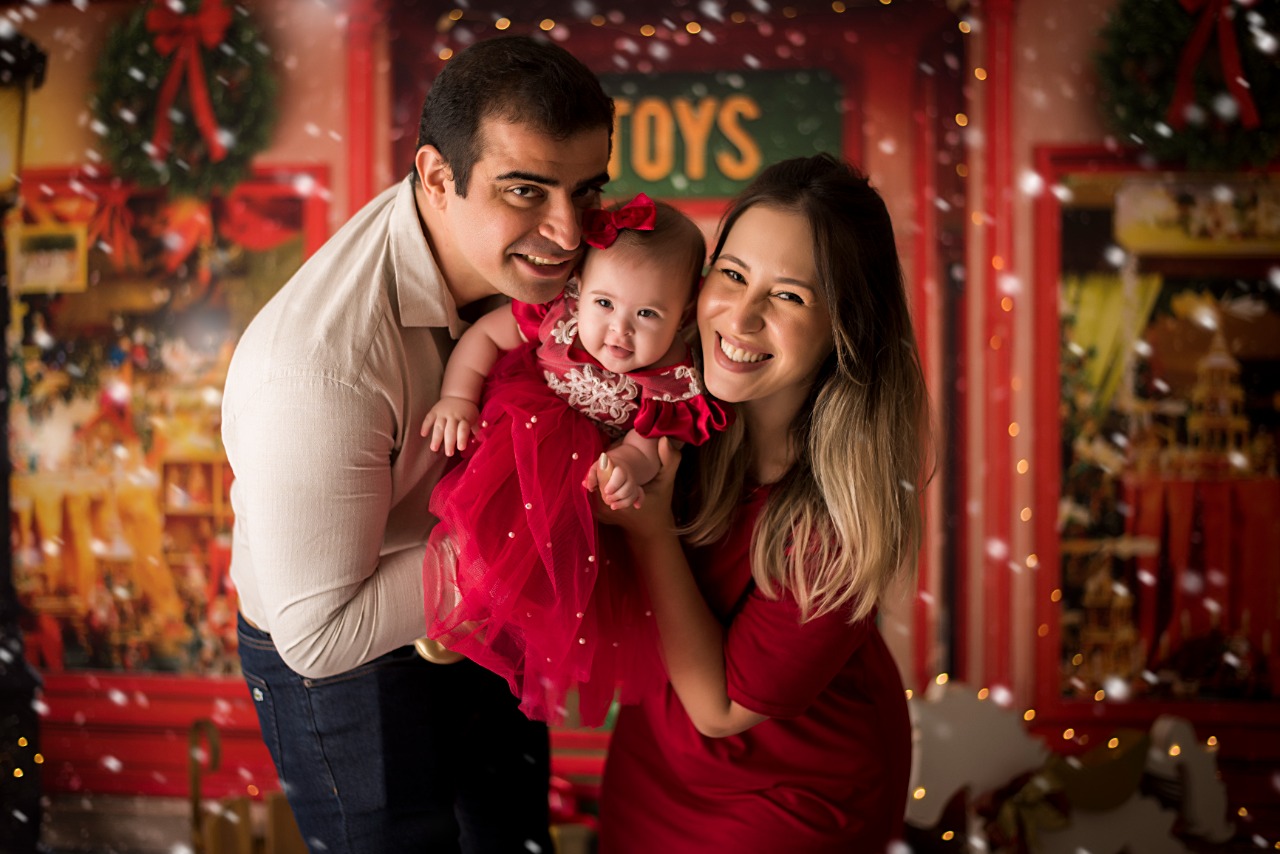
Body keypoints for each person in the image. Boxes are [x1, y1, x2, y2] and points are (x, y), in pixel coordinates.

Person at [221, 36, 613, 853]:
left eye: (586, 191)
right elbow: (319, 634)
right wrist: (533, 538)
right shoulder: (318, 368)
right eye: (526, 190)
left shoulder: (536, 263)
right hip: (348, 663)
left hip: (478, 626)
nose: (568, 230)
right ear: (437, 178)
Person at [598, 154, 932, 852]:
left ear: (849, 329)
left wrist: (651, 534)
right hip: (654, 761)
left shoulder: (839, 514)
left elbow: (721, 708)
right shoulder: (663, 395)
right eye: (733, 275)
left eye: (790, 297)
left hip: (795, 797)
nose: (741, 317)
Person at [419, 195, 729, 727]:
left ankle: (505, 627)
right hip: (525, 434)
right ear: (579, 292)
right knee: (489, 520)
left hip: (589, 473)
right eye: (605, 304)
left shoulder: (673, 380)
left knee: (561, 567)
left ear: (681, 320)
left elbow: (648, 444)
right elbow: (485, 337)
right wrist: (457, 397)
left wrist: (627, 469)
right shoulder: (555, 319)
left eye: (647, 314)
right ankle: (459, 598)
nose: (620, 330)